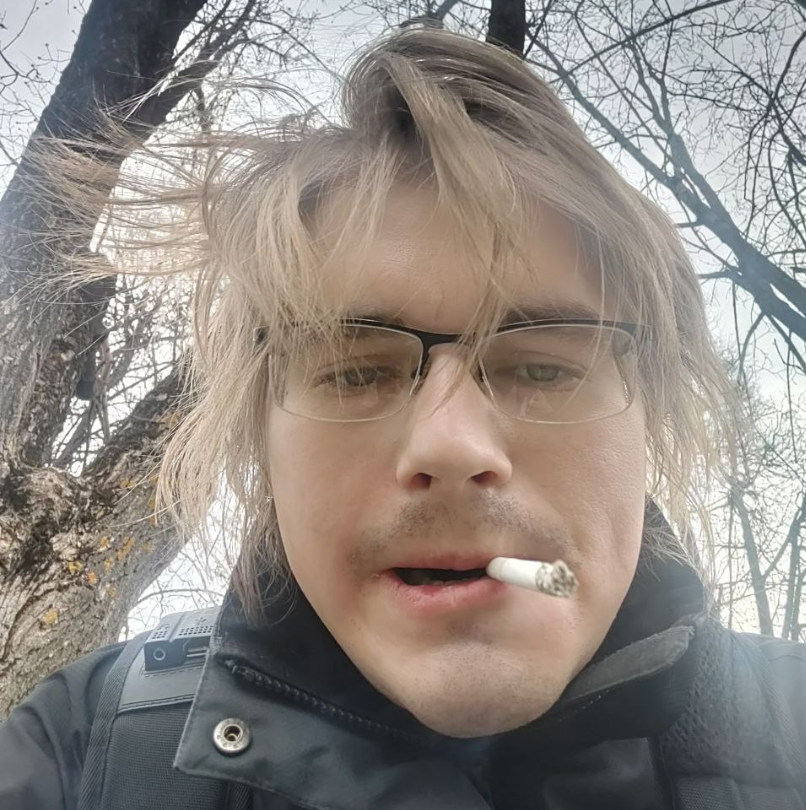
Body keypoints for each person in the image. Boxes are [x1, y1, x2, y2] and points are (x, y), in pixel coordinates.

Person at [2, 25, 805, 810]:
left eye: (542, 367)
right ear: (262, 442)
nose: (451, 445)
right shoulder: (80, 752)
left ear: (647, 423)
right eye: (356, 371)